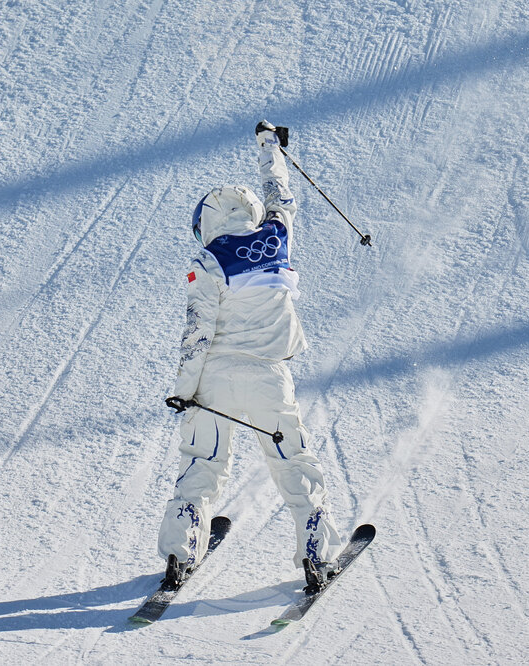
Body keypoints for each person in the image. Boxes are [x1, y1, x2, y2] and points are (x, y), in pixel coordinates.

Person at [158, 121, 343, 587]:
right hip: (268, 379)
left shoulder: (208, 260)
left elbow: (197, 332)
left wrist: (183, 391)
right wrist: (270, 145)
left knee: (201, 463)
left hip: (214, 381)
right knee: (293, 461)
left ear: (208, 221)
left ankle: (181, 553)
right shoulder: (277, 236)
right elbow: (280, 193)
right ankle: (316, 554)